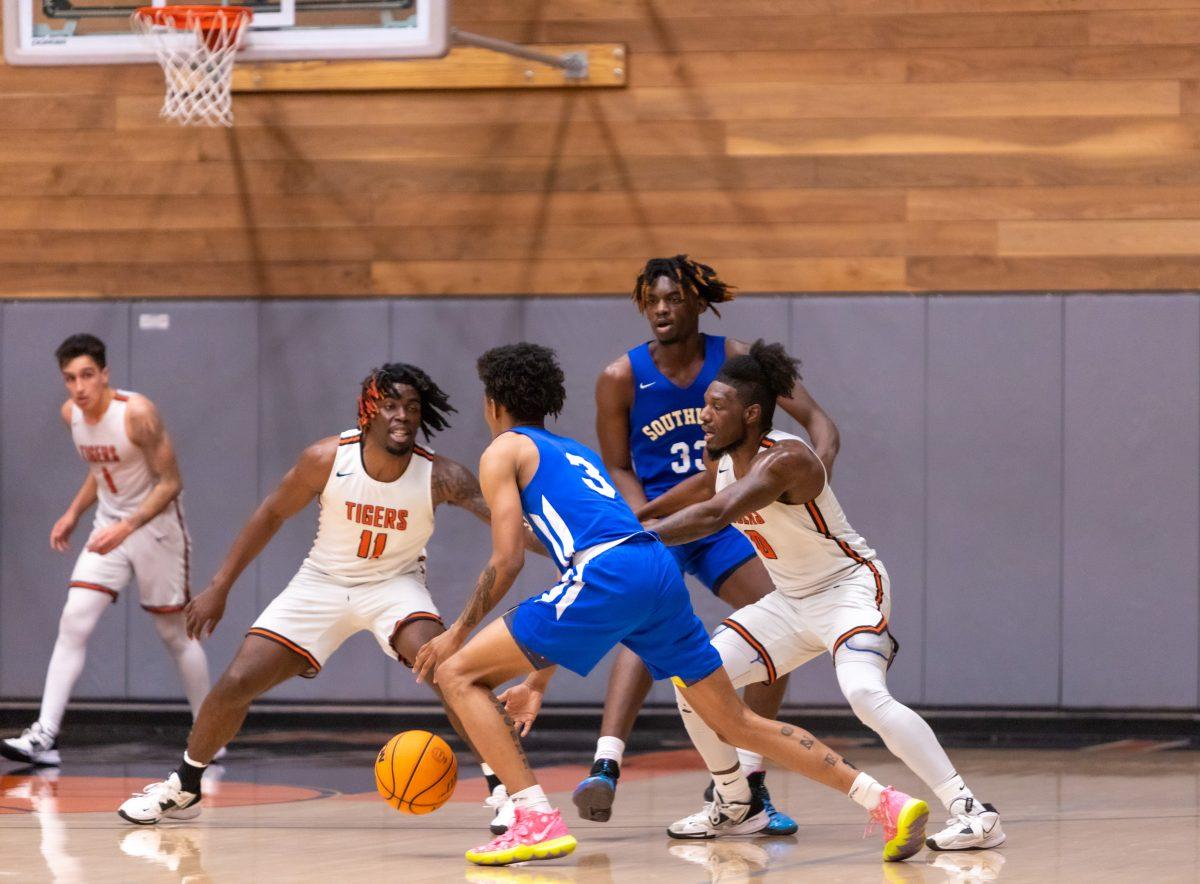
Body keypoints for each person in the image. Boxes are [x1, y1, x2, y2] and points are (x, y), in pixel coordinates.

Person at [414, 343, 928, 867]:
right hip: (655, 568)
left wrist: (455, 633)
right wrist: (536, 680)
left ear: (492, 402)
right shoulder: (574, 452)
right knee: (737, 723)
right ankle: (884, 800)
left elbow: (507, 560)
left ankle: (531, 818)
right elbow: (586, 589)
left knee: (458, 674)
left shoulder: (502, 450)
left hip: (610, 572)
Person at [643, 340, 1005, 852]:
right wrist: (636, 518)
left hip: (849, 588)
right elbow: (704, 491)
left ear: (750, 414)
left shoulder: (786, 459)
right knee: (693, 678)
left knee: (864, 695)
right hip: (790, 601)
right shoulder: (723, 459)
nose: (703, 415)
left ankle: (973, 813)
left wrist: (634, 540)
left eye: (716, 406)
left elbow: (714, 515)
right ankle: (735, 804)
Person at [117, 363, 509, 826]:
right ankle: (185, 785)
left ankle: (506, 790)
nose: (402, 415)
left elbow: (511, 525)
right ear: (369, 410)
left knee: (449, 670)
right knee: (236, 683)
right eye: (391, 405)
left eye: (412, 407)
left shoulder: (440, 475)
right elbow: (270, 515)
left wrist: (576, 545)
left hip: (395, 585)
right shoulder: (326, 459)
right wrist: (220, 586)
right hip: (321, 582)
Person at [579, 255, 840, 833]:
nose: (664, 310)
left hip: (726, 519)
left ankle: (750, 781)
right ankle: (606, 765)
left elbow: (820, 421)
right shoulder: (619, 376)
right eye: (653, 301)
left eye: (674, 299)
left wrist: (811, 476)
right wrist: (639, 518)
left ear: (699, 302)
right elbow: (618, 464)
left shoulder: (737, 359)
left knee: (785, 625)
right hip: (664, 520)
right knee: (642, 618)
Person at [2, 334, 211, 767]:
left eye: (86, 376)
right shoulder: (71, 415)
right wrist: (73, 513)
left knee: (173, 634)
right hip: (108, 528)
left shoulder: (137, 414)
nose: (78, 387)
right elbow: (102, 471)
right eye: (69, 379)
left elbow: (172, 483)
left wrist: (128, 525)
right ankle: (44, 736)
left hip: (155, 529)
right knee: (73, 619)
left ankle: (209, 731)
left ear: (105, 374)